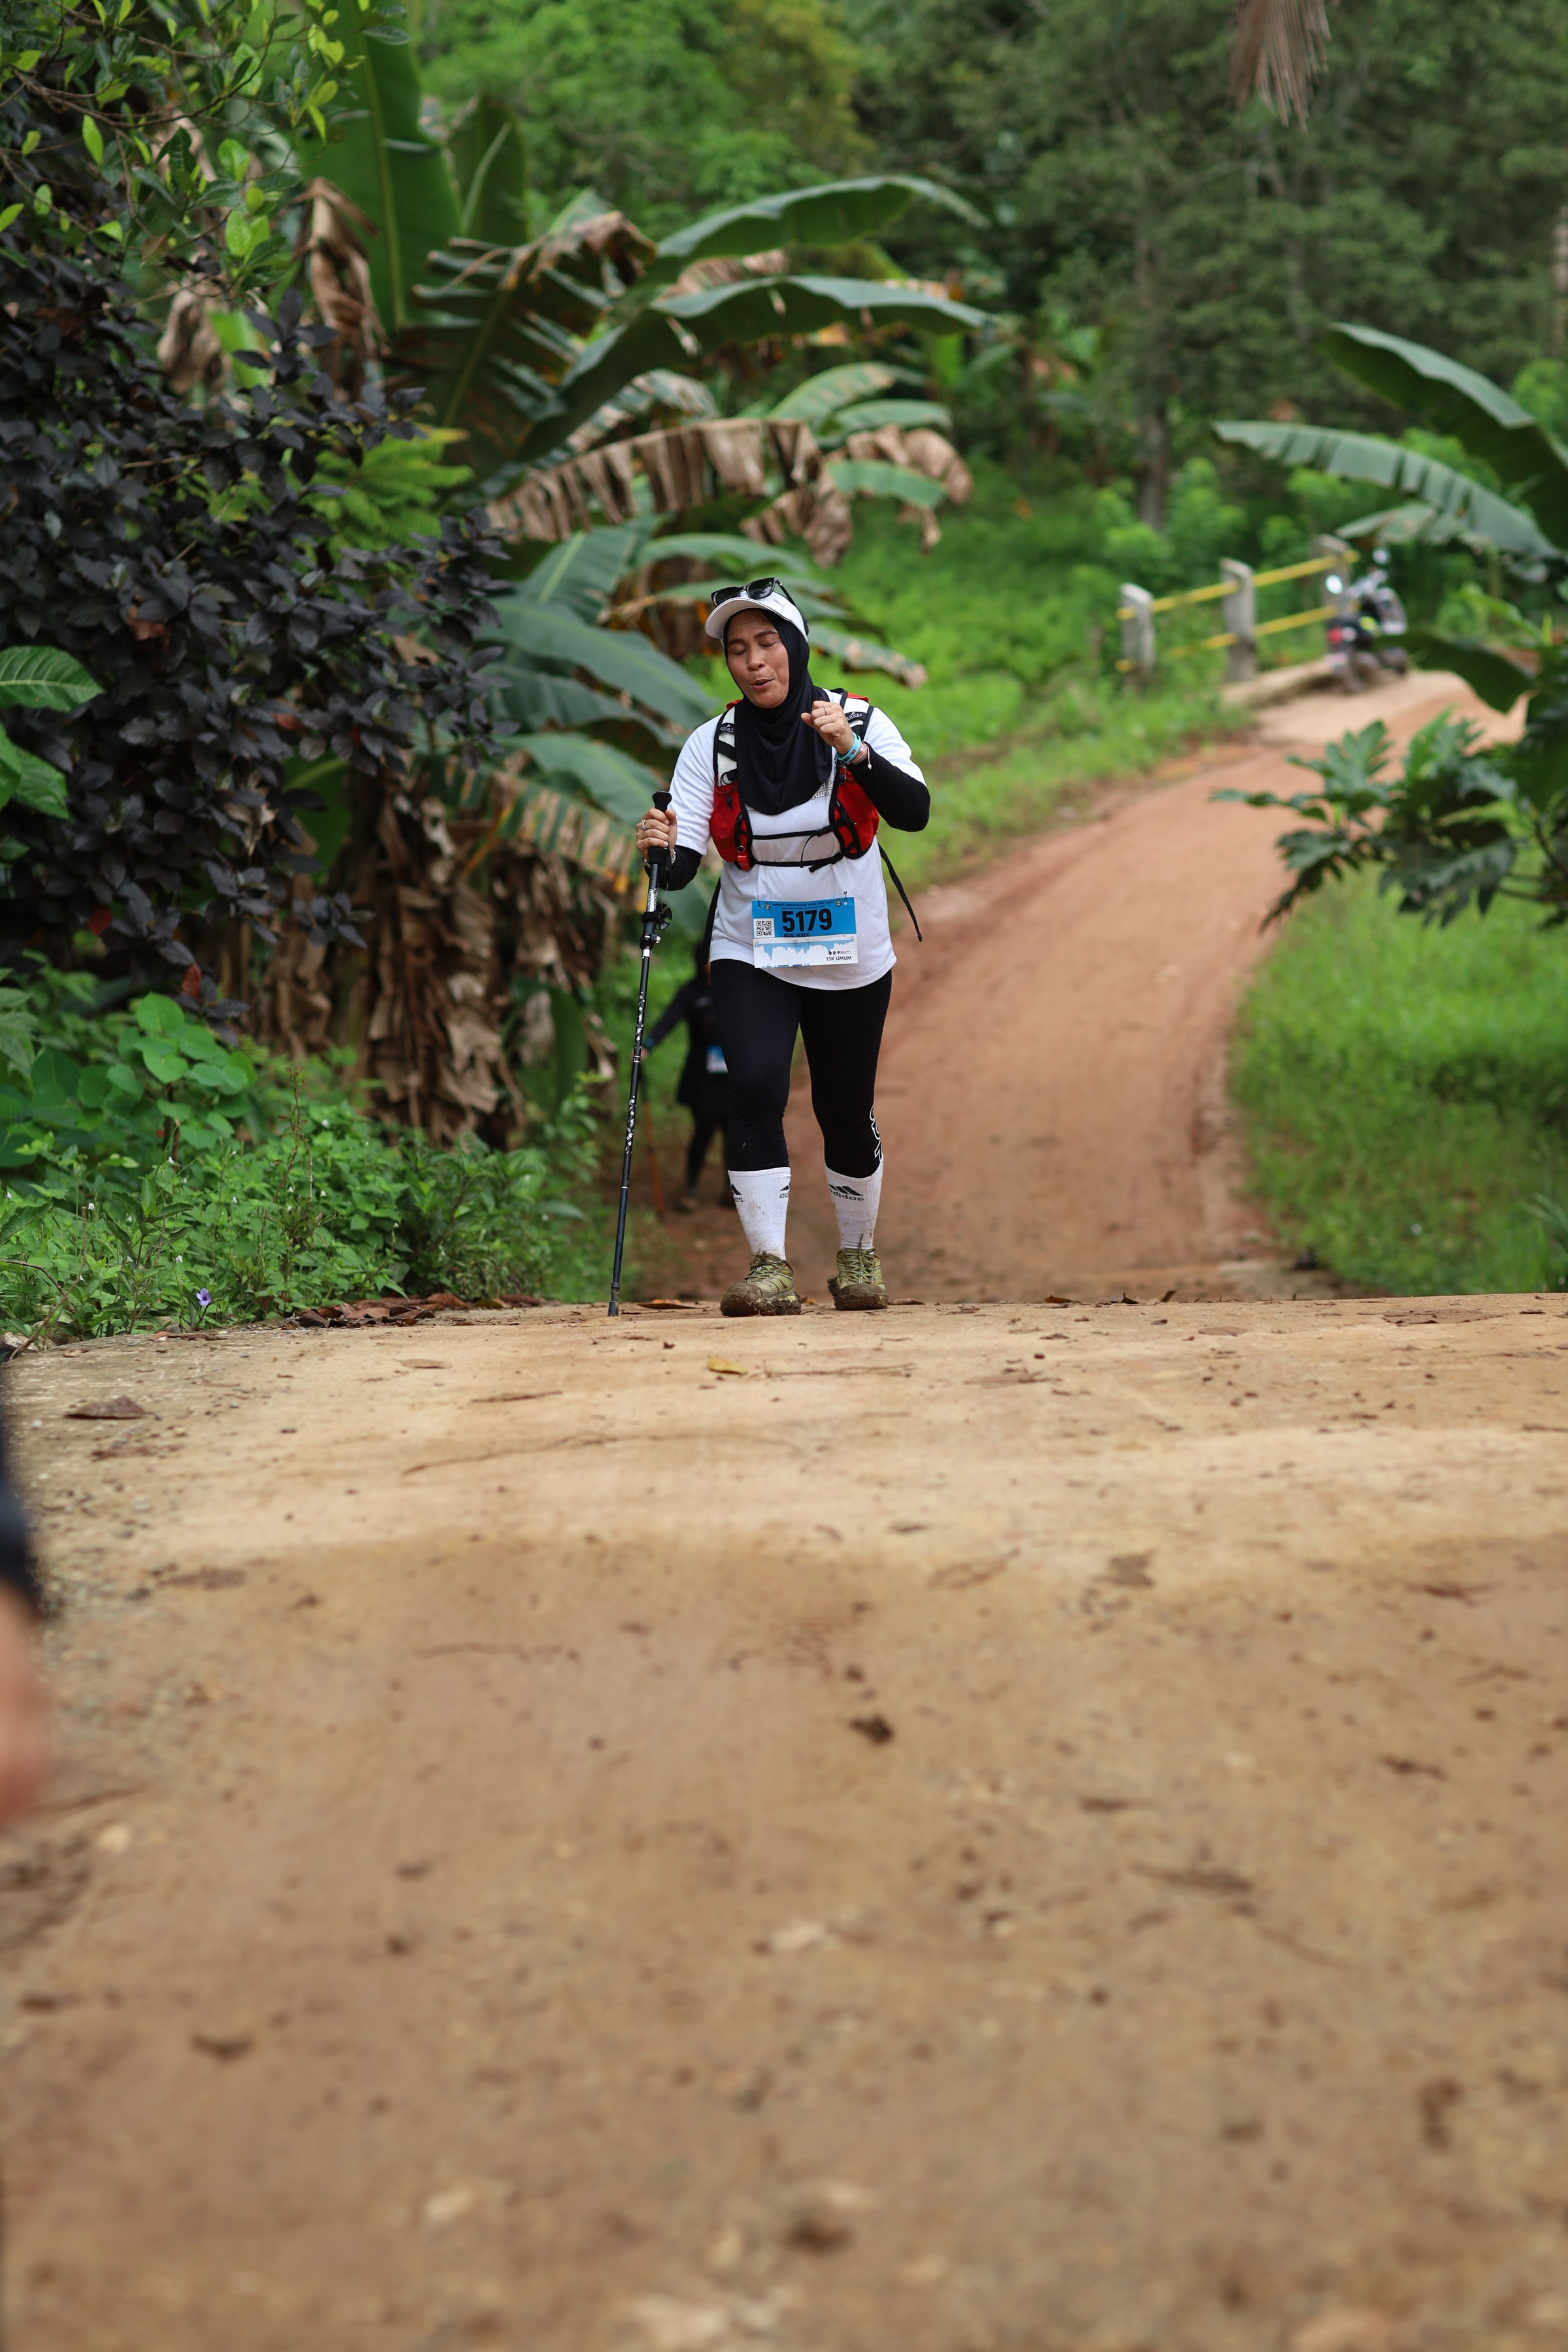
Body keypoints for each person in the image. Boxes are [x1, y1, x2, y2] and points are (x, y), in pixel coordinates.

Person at [634, 579, 929, 1316]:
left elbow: (915, 812)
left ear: (795, 646)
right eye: (738, 650)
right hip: (751, 945)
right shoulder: (711, 745)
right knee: (756, 1089)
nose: (755, 661)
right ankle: (768, 1267)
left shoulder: (857, 719)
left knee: (844, 1106)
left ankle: (858, 1256)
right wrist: (660, 848)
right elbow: (681, 867)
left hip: (849, 944)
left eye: (767, 643)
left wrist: (852, 751)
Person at [642, 944, 732, 1210]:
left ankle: (731, 1189)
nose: (712, 964)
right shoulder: (691, 992)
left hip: (732, 1074)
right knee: (704, 1130)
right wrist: (647, 1046)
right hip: (701, 1075)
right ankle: (691, 1187)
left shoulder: (735, 988)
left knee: (733, 1132)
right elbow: (668, 1021)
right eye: (708, 959)